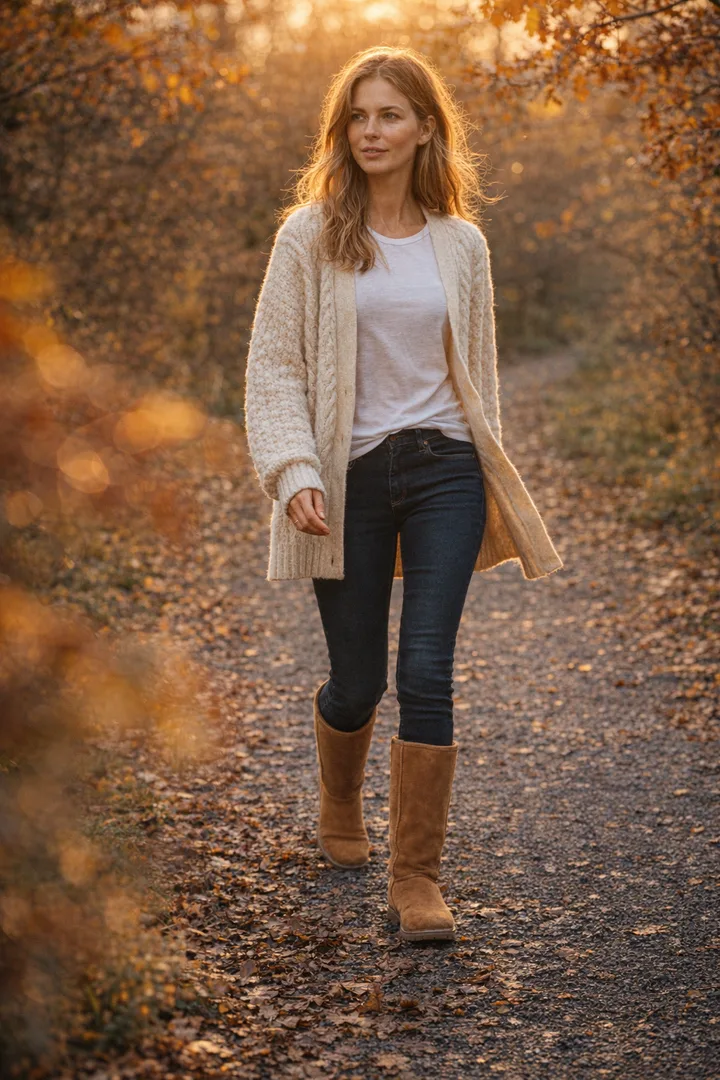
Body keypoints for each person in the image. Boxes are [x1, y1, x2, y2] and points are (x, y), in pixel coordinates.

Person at [244, 46, 563, 943]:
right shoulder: (310, 234)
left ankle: (415, 880)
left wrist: (487, 474)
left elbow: (480, 379)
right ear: (342, 131)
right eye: (358, 116)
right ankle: (339, 794)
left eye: (390, 114)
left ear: (426, 126)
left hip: (444, 470)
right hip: (346, 476)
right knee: (358, 681)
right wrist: (294, 470)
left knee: (427, 670)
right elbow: (274, 370)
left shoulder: (462, 244)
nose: (372, 131)